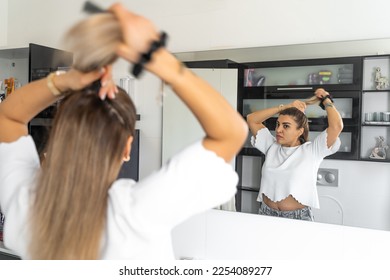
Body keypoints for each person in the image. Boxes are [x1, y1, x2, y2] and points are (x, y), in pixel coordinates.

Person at [0, 3, 247, 259]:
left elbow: (8, 117)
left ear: (60, 137)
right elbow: (231, 132)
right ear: (127, 147)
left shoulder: (26, 205)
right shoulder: (135, 213)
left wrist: (67, 80)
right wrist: (152, 54)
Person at [246, 88, 343, 221]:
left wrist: (326, 98)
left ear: (300, 131)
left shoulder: (312, 150)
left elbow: (336, 126)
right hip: (265, 214)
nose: (278, 130)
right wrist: (285, 107)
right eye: (278, 124)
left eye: (286, 126)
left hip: (297, 219)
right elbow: (252, 119)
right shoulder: (271, 146)